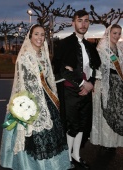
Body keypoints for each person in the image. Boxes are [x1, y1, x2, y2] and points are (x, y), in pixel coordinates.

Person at [0, 24, 71, 170]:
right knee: (35, 135)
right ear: (30, 36)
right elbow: (22, 83)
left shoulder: (43, 54)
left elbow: (47, 78)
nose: (40, 37)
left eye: (42, 35)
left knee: (52, 133)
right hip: (31, 99)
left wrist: (65, 71)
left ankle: (52, 164)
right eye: (36, 34)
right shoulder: (25, 56)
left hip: (46, 97)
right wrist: (28, 105)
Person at [52, 10, 101, 169]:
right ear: (73, 23)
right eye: (80, 20)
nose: (83, 24)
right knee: (72, 124)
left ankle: (76, 155)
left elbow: (94, 68)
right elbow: (61, 69)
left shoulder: (89, 45)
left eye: (86, 21)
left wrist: (91, 83)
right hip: (70, 91)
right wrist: (82, 83)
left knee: (83, 124)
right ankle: (67, 158)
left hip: (86, 91)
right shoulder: (65, 44)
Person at [90, 24, 123, 151]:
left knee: (117, 111)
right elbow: (99, 67)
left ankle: (114, 141)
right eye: (114, 33)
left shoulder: (119, 47)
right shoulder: (102, 48)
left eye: (119, 33)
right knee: (107, 111)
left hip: (118, 83)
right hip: (106, 83)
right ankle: (105, 141)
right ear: (109, 33)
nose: (117, 36)